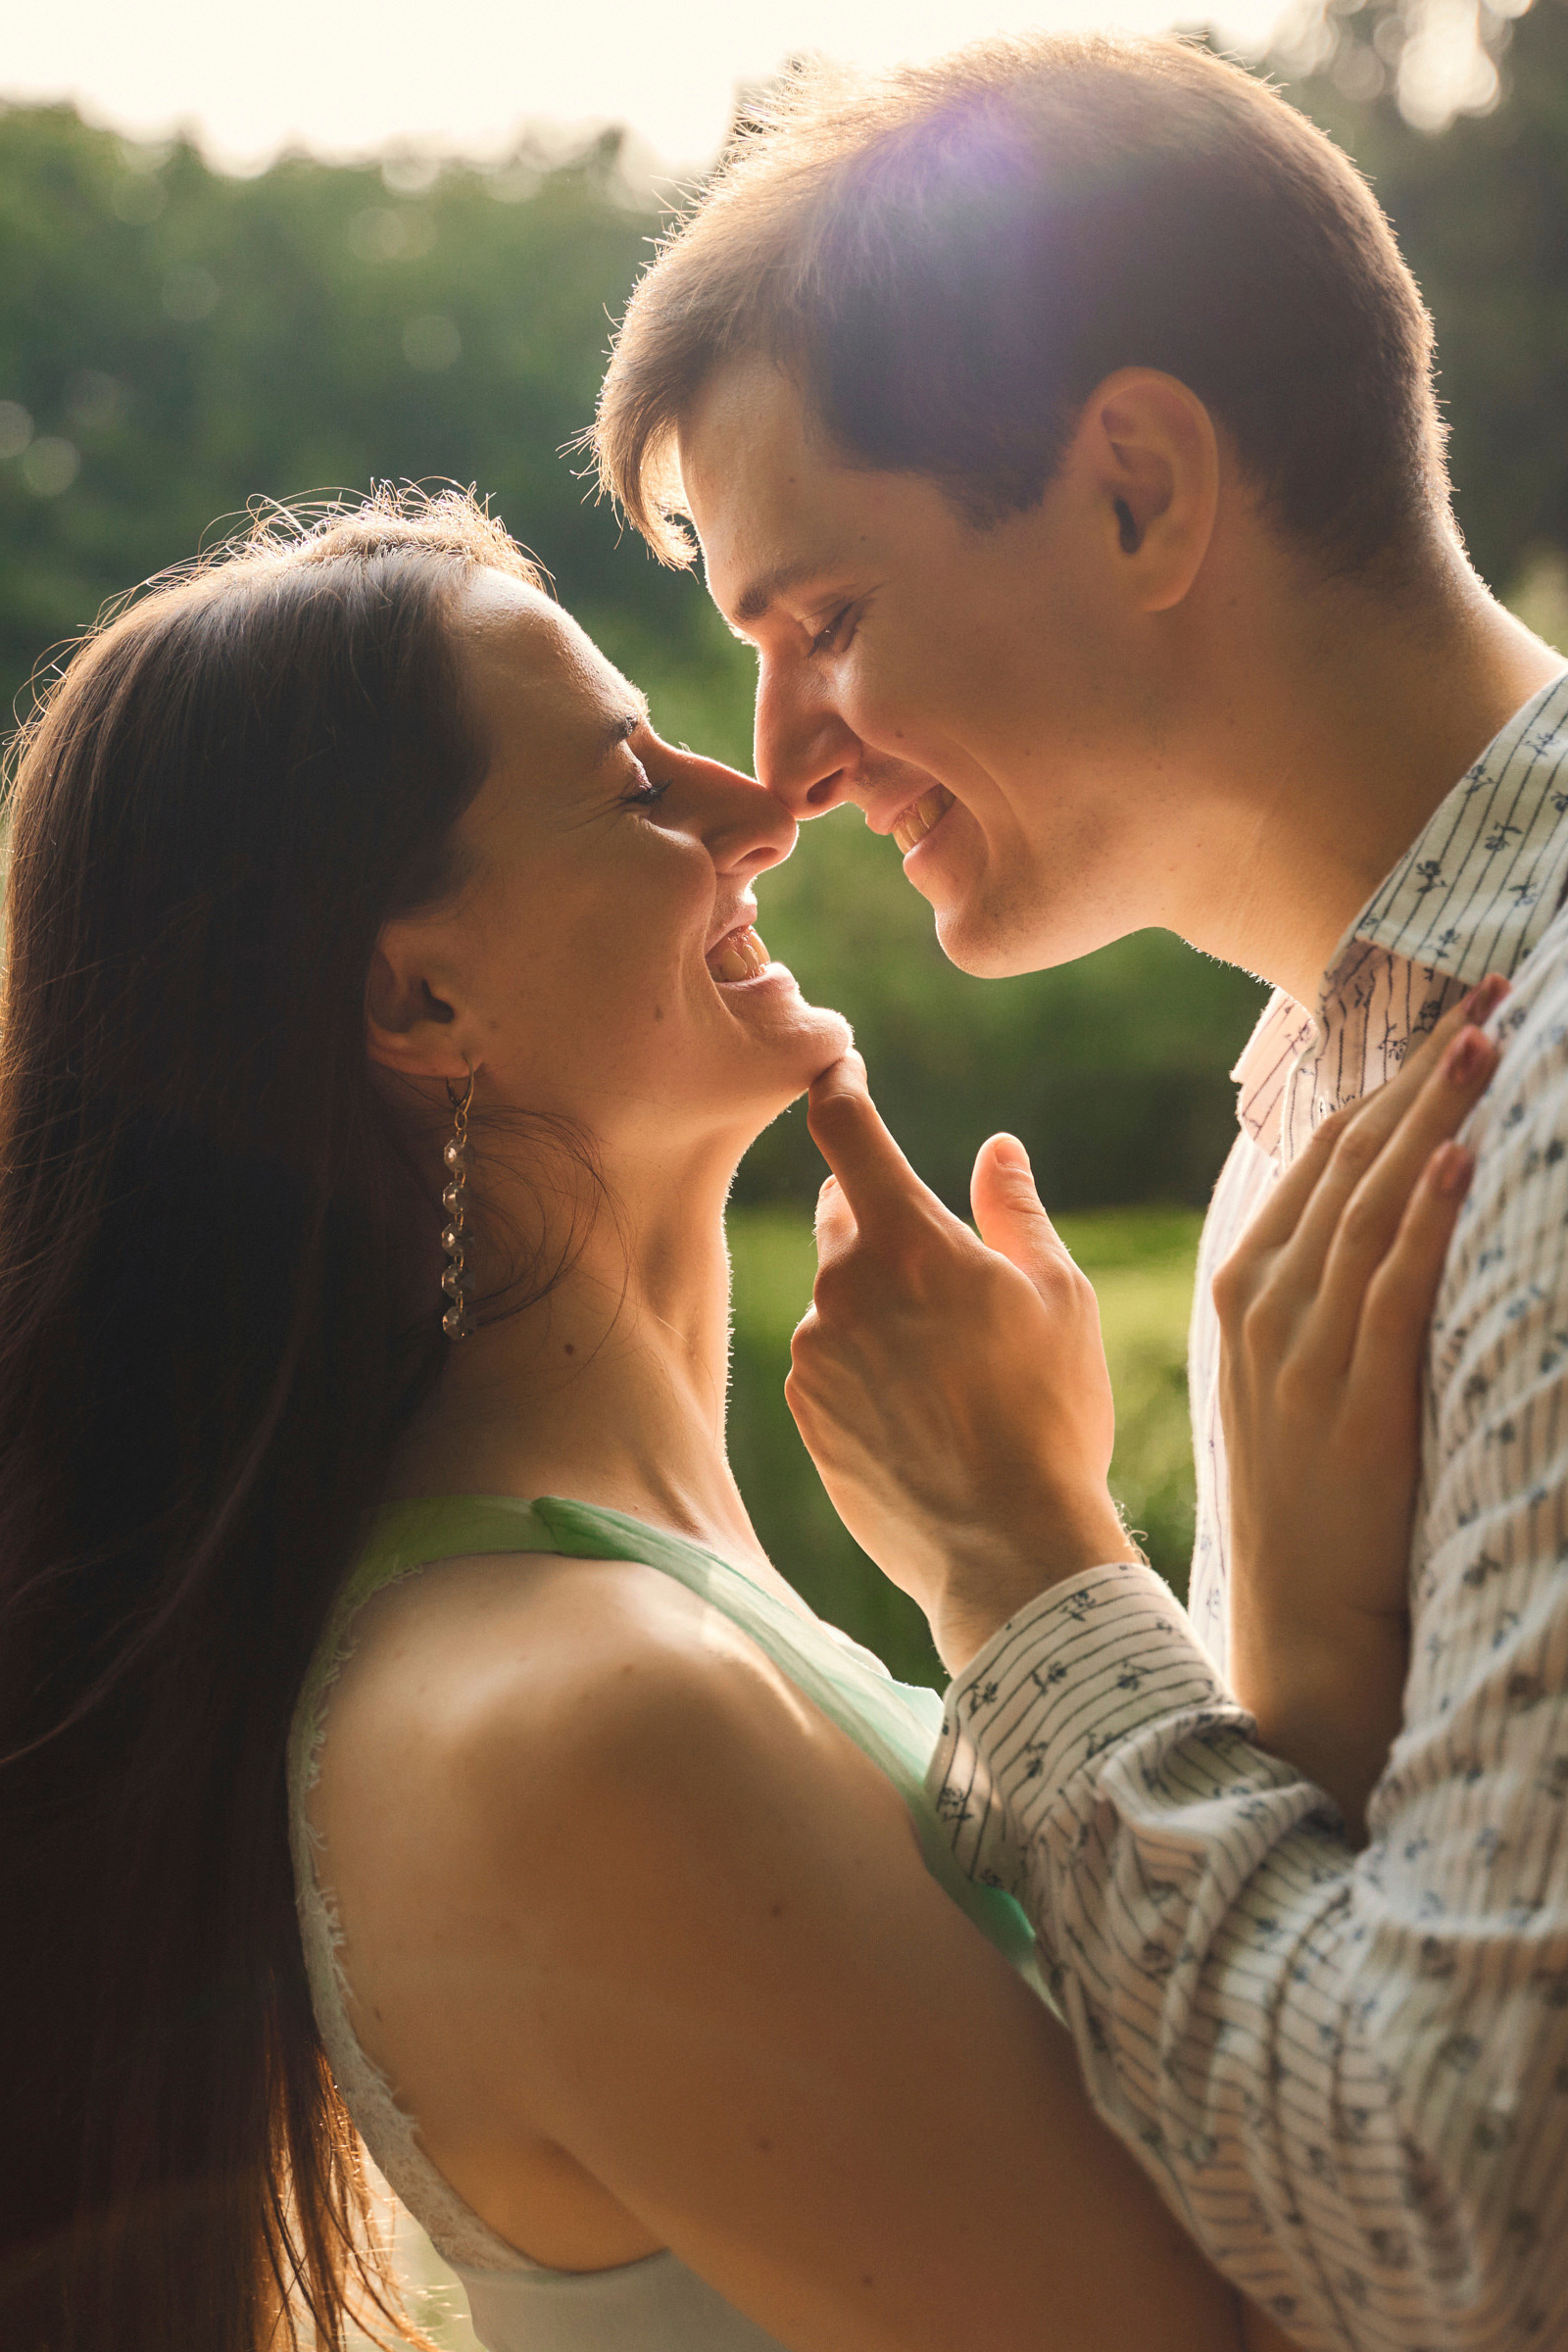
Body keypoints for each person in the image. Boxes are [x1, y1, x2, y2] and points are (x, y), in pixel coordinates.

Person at [0, 487, 1494, 2352]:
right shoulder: (571, 1723)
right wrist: (1128, 1586)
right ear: (421, 995)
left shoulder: (636, 1621)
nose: (762, 811)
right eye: (639, 790)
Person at [588, 27, 1568, 2351]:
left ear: (1135, 490)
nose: (782, 772)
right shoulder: (1304, 1143)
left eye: (816, 620)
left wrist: (1029, 1583)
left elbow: (1469, 2237)